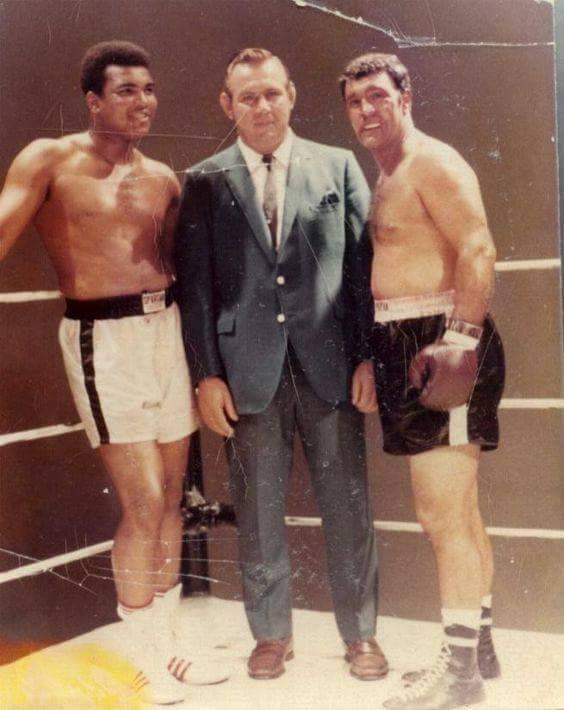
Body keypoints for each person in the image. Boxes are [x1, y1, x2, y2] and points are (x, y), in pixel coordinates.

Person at [0, 41, 222, 704]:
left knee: (175, 495)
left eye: (148, 89)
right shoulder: (51, 158)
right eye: (126, 90)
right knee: (143, 500)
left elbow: (193, 267)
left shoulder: (164, 179)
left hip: (167, 332)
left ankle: (170, 646)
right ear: (93, 100)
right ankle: (143, 655)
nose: (143, 102)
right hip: (103, 338)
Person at [174, 47, 388, 682]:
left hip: (329, 366)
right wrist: (206, 375)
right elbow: (198, 289)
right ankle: (270, 634)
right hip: (247, 374)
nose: (261, 107)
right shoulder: (205, 181)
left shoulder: (338, 165)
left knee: (349, 507)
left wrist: (367, 358)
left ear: (291, 94)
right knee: (257, 507)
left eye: (271, 93)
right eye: (247, 97)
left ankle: (362, 635)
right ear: (227, 105)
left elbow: (360, 274)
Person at [340, 52, 505, 710]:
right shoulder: (389, 174)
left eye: (378, 96)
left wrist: (459, 340)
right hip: (403, 341)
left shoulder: (432, 161)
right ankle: (478, 649)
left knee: (443, 516)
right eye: (355, 102)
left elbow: (478, 246)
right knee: (459, 512)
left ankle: (459, 673)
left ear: (406, 97)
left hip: (440, 339)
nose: (367, 111)